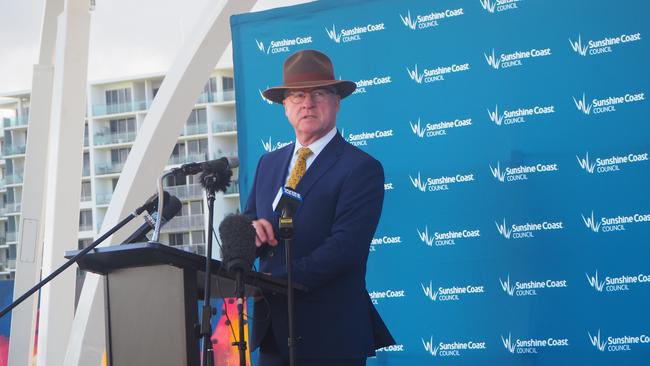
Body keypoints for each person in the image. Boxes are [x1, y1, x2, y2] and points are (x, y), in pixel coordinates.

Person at [244, 49, 395, 366]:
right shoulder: (268, 164)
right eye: (297, 95)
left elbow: (345, 248)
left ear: (337, 101)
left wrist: (276, 282)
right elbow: (249, 224)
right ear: (285, 106)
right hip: (272, 334)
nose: (307, 103)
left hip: (331, 335)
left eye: (318, 94)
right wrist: (249, 235)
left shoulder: (361, 168)